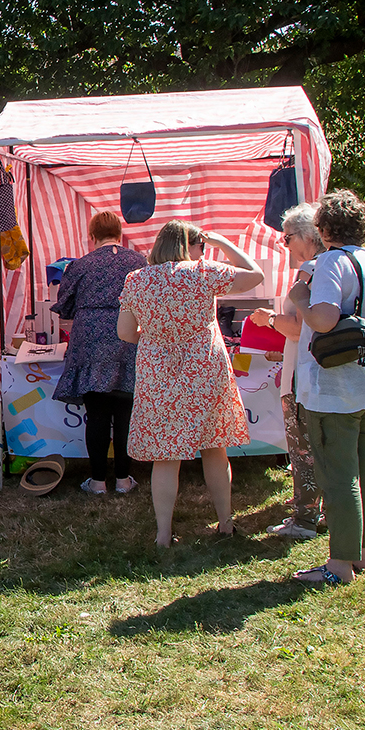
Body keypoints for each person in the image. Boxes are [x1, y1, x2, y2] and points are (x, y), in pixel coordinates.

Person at [117, 221, 265, 547]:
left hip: (159, 373)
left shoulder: (137, 280)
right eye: (203, 245)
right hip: (205, 370)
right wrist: (224, 242)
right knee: (214, 448)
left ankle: (163, 534)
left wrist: (156, 336)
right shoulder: (203, 271)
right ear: (193, 245)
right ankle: (225, 524)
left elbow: (126, 333)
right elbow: (255, 275)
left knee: (165, 455)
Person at [288, 189, 365, 586]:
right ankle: (363, 552)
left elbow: (322, 319)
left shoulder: (332, 263)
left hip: (336, 388)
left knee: (337, 476)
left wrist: (300, 295)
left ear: (322, 228)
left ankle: (339, 565)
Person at [52, 211, 146, 495]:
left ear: (92, 236)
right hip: (128, 338)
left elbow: (64, 305)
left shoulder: (80, 266)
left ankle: (97, 481)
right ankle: (123, 479)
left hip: (90, 341)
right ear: (120, 234)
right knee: (125, 413)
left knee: (97, 414)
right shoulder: (139, 262)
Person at [247, 203, 324, 539]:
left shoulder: (310, 271)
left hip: (303, 377)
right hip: (315, 371)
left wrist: (270, 320)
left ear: (309, 236)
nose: (285, 244)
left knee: (303, 450)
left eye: (288, 237)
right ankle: (320, 513)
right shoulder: (336, 266)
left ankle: (305, 518)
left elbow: (298, 328)